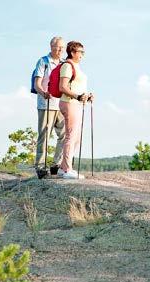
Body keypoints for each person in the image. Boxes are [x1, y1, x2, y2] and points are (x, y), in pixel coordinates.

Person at [58, 41, 94, 179]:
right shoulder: (67, 66)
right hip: (69, 103)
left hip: (76, 103)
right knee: (71, 136)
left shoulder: (76, 66)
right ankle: (67, 169)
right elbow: (63, 87)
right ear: (72, 52)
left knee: (76, 137)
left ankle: (63, 167)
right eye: (81, 52)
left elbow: (77, 86)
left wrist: (86, 96)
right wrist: (78, 96)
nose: (82, 55)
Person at [33, 36, 66, 179]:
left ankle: (55, 165)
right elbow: (37, 84)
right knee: (44, 135)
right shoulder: (43, 62)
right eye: (57, 47)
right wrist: (43, 92)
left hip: (61, 103)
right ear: (51, 46)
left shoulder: (64, 63)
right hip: (46, 104)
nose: (59, 50)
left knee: (65, 135)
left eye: (62, 47)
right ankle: (40, 167)